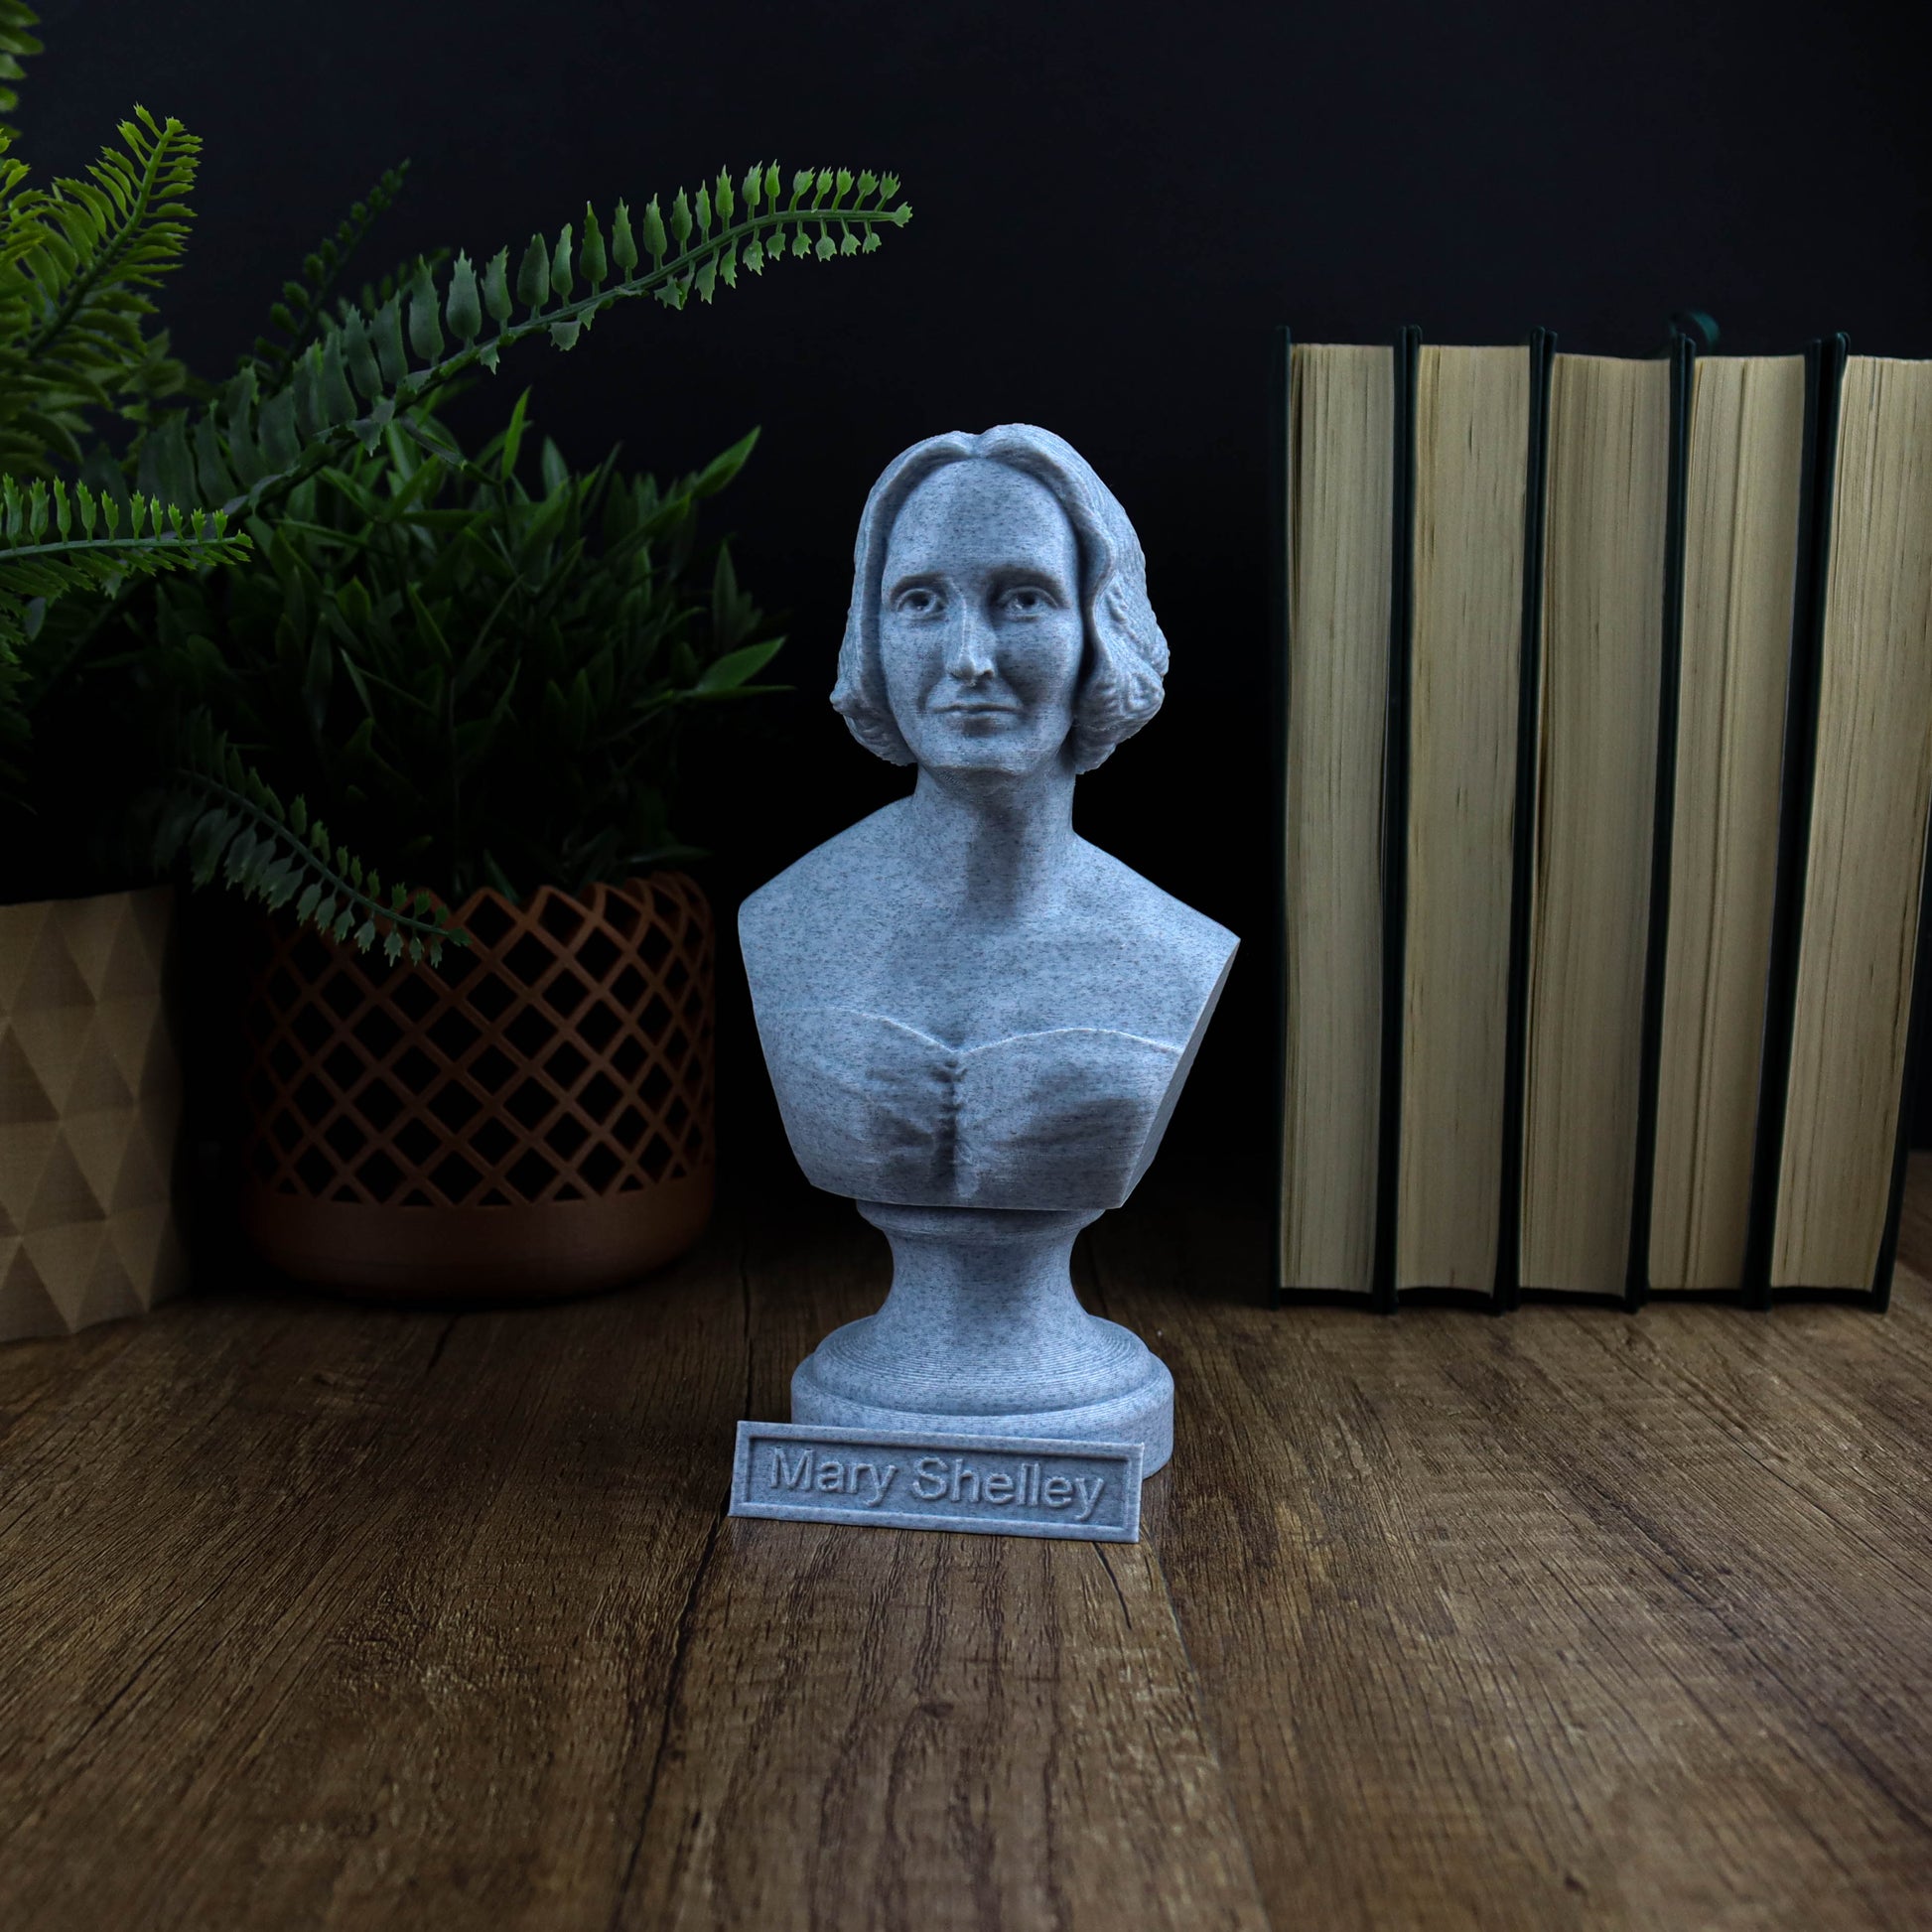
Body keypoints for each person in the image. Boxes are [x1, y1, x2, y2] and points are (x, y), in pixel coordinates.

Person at [741, 424, 1237, 1214]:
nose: (969, 657)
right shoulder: (785, 920)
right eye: (922, 602)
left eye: (1024, 599)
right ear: (873, 637)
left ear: (1100, 634)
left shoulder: (1176, 951)